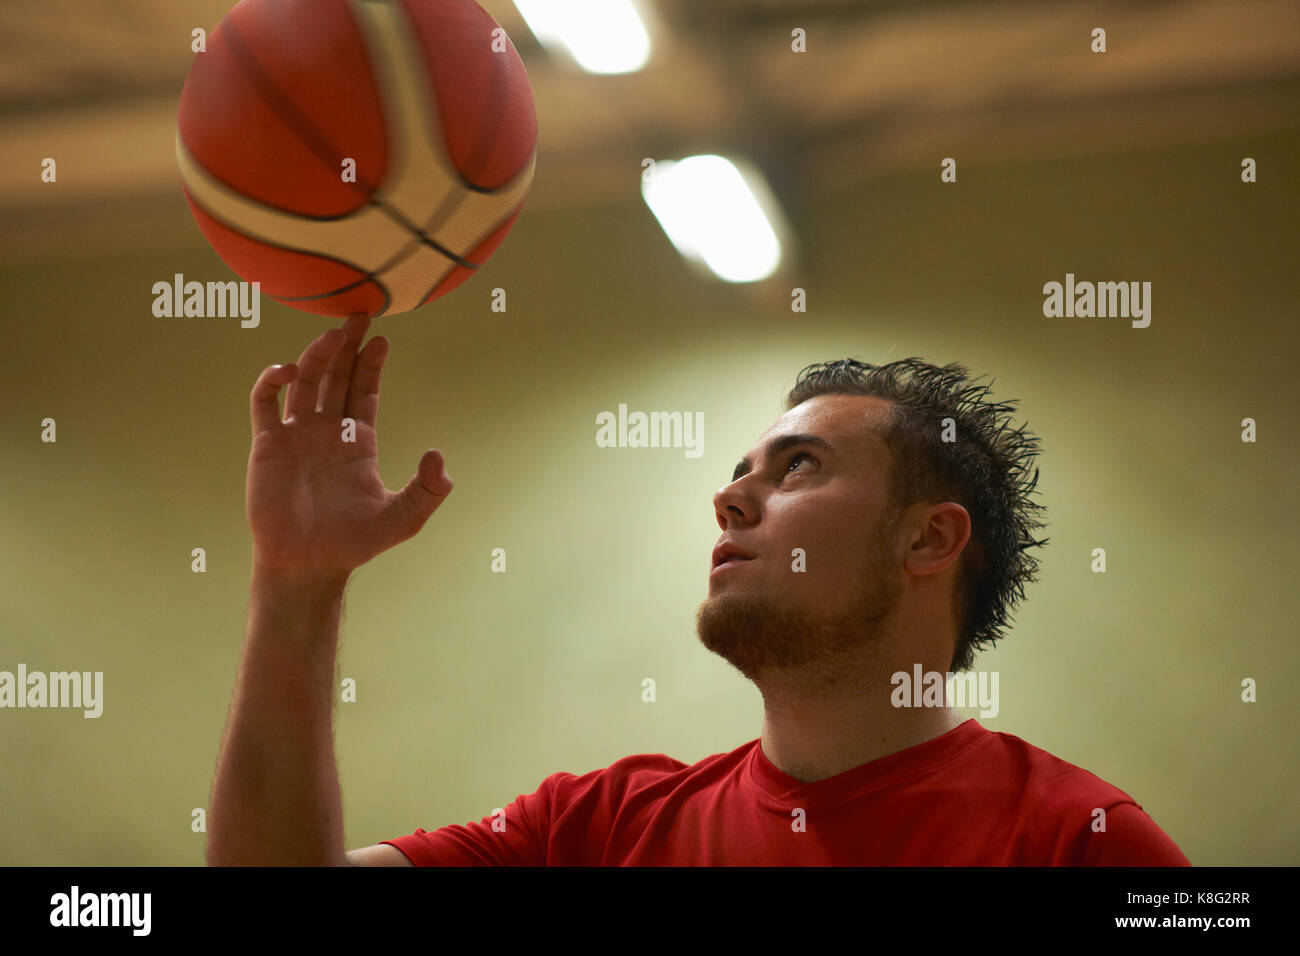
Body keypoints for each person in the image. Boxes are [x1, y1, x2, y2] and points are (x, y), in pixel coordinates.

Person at [208, 312, 1190, 866]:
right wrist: (297, 580)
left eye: (796, 466)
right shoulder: (594, 829)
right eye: (737, 470)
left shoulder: (1083, 842)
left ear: (927, 538)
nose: (729, 497)